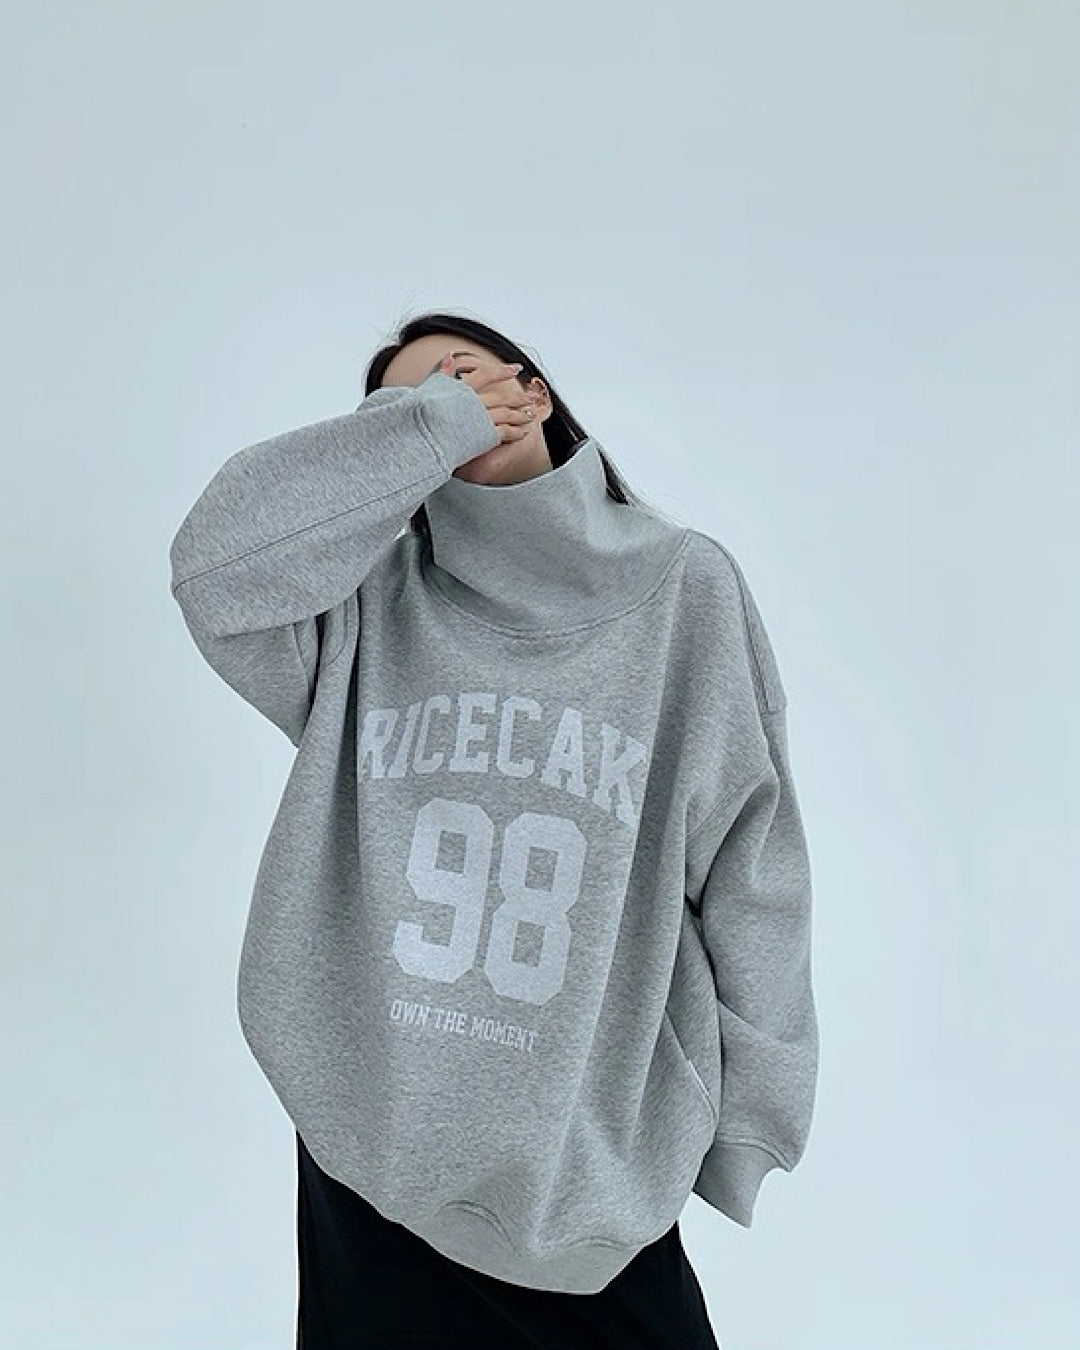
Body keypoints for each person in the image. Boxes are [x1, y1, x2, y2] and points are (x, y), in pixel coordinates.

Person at [168, 311, 820, 1349]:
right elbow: (214, 572)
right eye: (404, 406)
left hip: (587, 1155)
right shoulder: (361, 607)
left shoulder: (686, 590)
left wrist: (754, 1118)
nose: (445, 405)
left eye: (462, 377)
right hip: (369, 1132)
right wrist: (425, 428)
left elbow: (753, 862)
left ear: (534, 392)